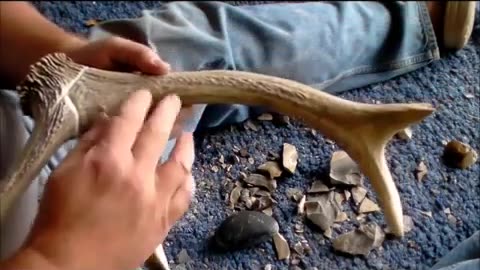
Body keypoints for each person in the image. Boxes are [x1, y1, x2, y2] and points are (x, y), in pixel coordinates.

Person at [0, 1, 477, 270]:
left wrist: (57, 60)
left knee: (194, 46)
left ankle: (413, 23)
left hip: (30, 115)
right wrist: (66, 255)